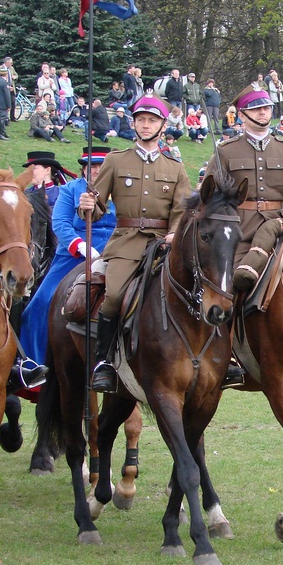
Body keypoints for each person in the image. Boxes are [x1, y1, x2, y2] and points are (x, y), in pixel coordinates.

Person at [78, 96, 192, 393]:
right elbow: (98, 206)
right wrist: (88, 204)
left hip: (164, 245)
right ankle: (103, 362)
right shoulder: (116, 160)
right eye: (141, 119)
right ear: (133, 123)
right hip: (127, 243)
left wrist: (174, 234)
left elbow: (182, 211)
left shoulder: (175, 168)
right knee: (114, 295)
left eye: (152, 120)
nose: (146, 124)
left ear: (163, 126)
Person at [205, 85, 283, 386]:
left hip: (282, 227)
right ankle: (225, 356)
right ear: (242, 114)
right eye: (256, 109)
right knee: (227, 286)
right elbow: (211, 195)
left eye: (266, 107)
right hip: (239, 232)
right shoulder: (226, 151)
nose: (263, 112)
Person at [19, 147, 117, 369]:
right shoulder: (70, 190)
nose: (95, 170)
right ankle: (33, 363)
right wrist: (81, 246)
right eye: (90, 166)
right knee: (42, 301)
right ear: (83, 168)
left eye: (100, 166)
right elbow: (60, 223)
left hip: (115, 251)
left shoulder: (122, 191)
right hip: (74, 254)